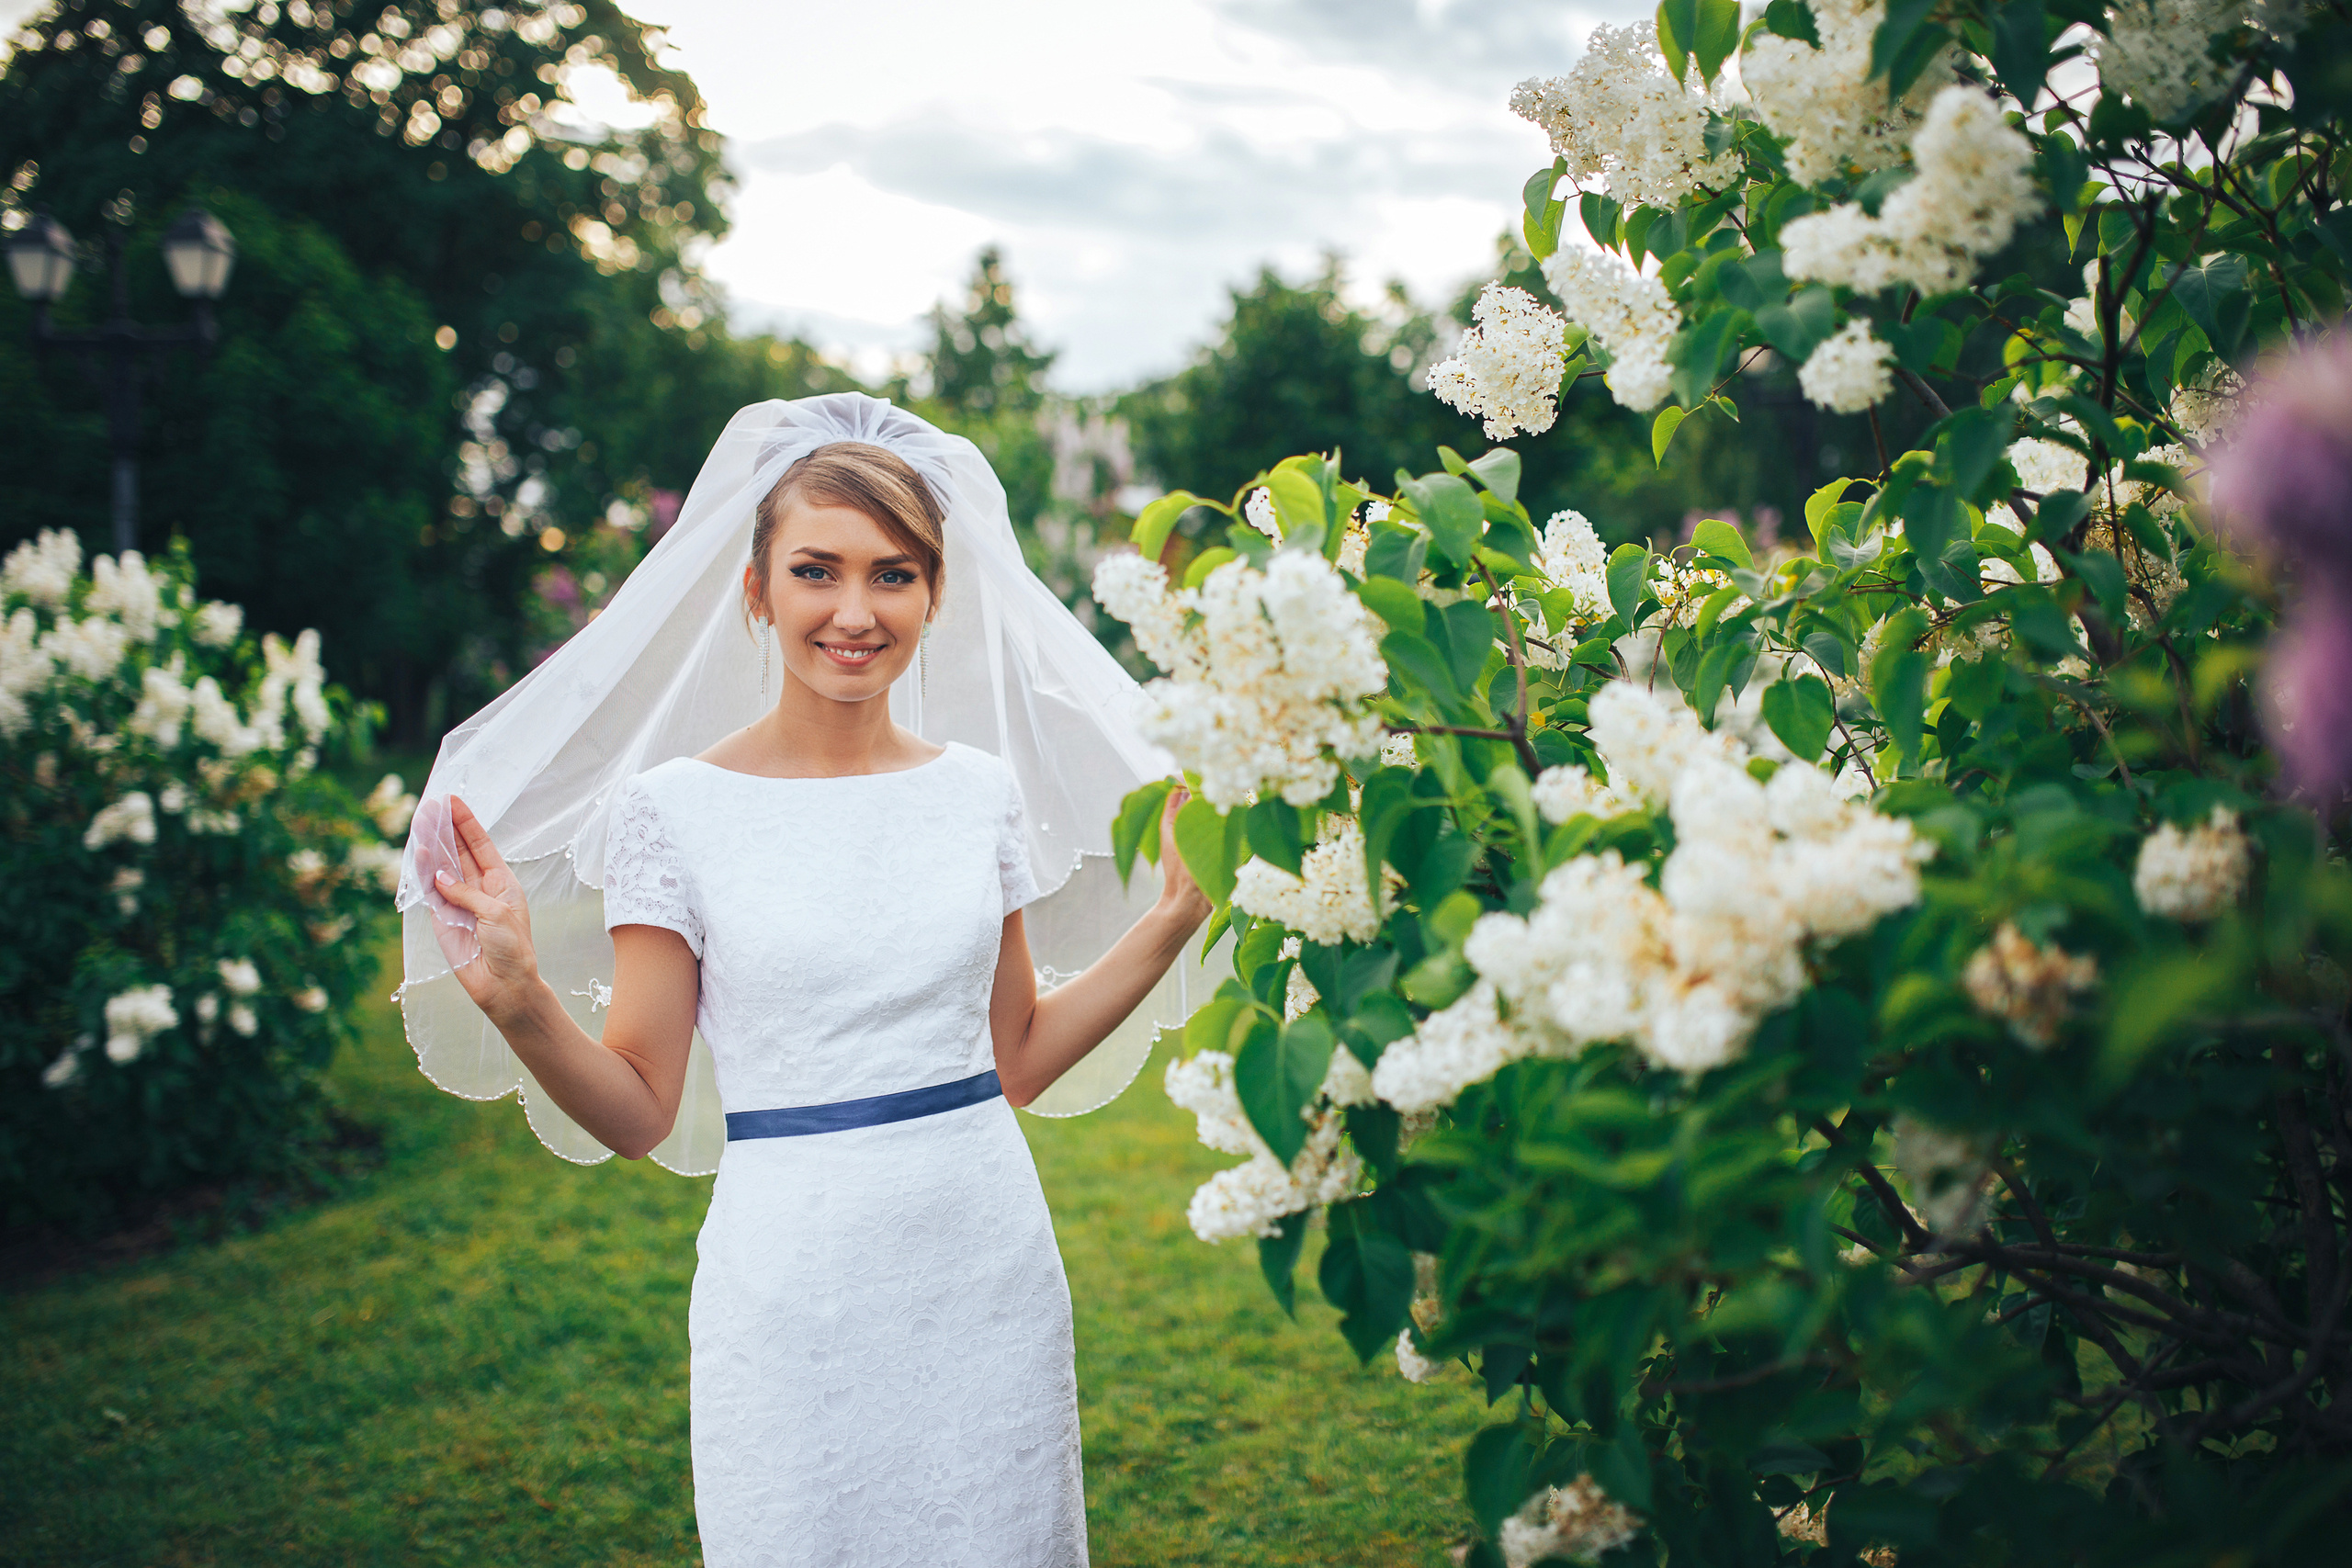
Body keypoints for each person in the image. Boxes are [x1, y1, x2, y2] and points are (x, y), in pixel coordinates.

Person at [397, 397, 1212, 1566]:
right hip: (791, 1284)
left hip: (983, 1260)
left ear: (935, 597)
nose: (852, 611)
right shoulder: (669, 812)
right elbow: (638, 1108)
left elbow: (1018, 1055)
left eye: (893, 576)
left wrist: (1176, 914)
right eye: (815, 570)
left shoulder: (977, 791)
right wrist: (519, 998)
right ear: (756, 588)